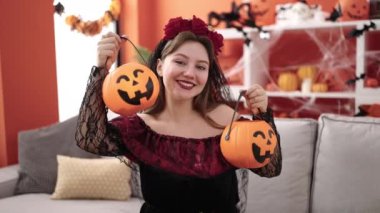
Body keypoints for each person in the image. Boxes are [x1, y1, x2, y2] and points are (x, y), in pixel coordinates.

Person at [75, 16, 281, 213]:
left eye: (201, 67)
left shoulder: (227, 120)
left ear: (208, 75)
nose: (190, 73)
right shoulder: (141, 128)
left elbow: (269, 169)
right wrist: (101, 70)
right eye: (180, 62)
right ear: (160, 67)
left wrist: (263, 116)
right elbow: (90, 139)